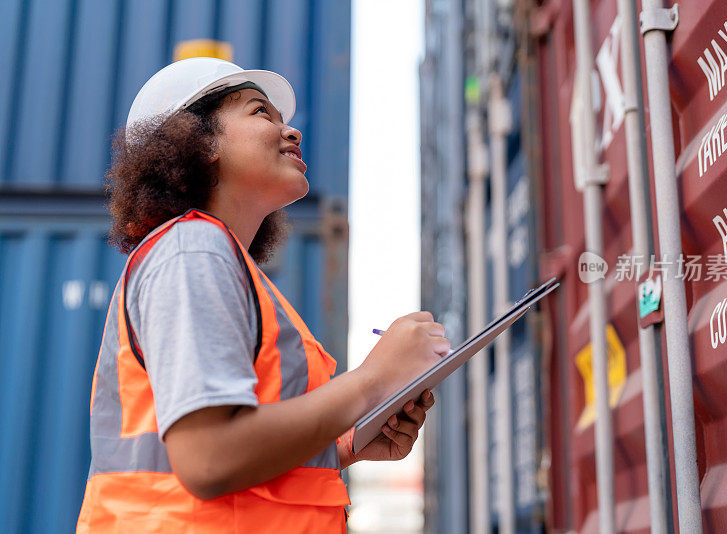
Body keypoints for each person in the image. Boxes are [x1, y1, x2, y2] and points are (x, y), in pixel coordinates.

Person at [76, 57, 449, 533]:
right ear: (198, 142)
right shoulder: (193, 249)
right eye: (260, 113)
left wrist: (340, 447)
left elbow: (225, 461)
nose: (290, 131)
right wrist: (373, 381)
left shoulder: (229, 265)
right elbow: (209, 459)